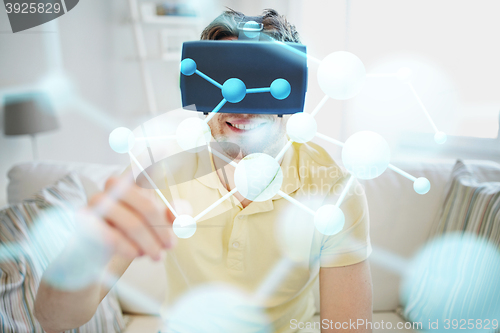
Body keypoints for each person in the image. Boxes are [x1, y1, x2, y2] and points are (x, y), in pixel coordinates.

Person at [35, 8, 373, 333]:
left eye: (261, 76)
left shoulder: (334, 190)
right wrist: (86, 249)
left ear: (291, 87)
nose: (241, 101)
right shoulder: (161, 167)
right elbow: (55, 320)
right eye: (226, 80)